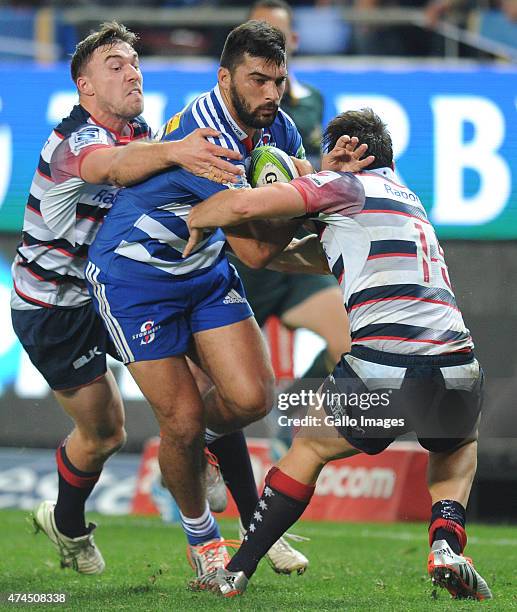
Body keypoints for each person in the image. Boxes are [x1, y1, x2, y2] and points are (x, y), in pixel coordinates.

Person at [184, 109, 492, 601]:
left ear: (349, 149)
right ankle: (445, 545)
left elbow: (245, 208)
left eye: (328, 150)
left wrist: (201, 216)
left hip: (383, 368)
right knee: (456, 454)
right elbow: (307, 256)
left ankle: (238, 568)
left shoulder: (343, 186)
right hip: (457, 362)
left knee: (308, 450)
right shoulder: (406, 200)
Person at [10, 21, 244, 576]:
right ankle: (66, 524)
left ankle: (226, 500)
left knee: (207, 386)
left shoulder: (143, 135)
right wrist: (179, 152)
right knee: (105, 433)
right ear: (84, 87)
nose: (130, 70)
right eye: (113, 65)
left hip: (119, 289)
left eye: (134, 62)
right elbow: (111, 168)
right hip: (57, 306)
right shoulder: (76, 141)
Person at [85, 20, 317, 579]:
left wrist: (312, 189)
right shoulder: (208, 136)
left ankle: (193, 453)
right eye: (257, 81)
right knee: (182, 419)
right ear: (224, 78)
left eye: (278, 81)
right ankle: (202, 540)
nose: (270, 94)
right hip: (136, 279)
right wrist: (302, 204)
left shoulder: (276, 126)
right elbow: (257, 253)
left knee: (252, 397)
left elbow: (306, 184)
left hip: (201, 269)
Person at [234, 0, 349, 411]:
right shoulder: (226, 107)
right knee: (217, 386)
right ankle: (189, 457)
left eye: (275, 35)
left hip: (293, 249)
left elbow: (320, 166)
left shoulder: (312, 102)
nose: (265, 41)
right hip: (243, 257)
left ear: (293, 42)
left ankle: (295, 409)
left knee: (349, 342)